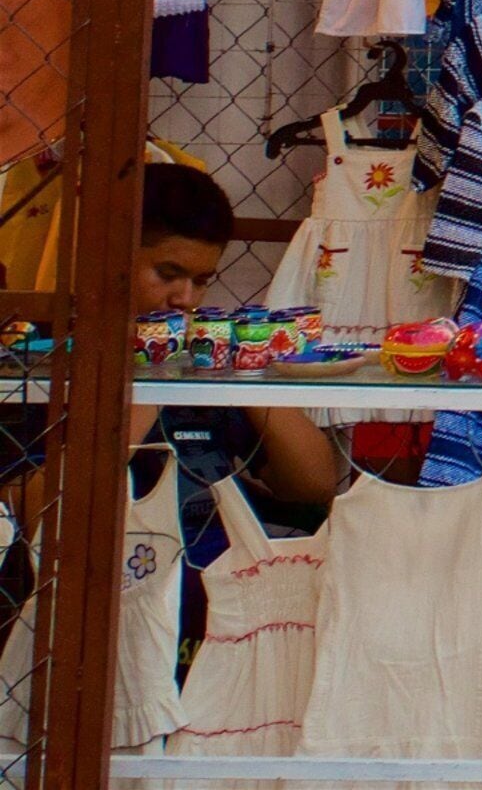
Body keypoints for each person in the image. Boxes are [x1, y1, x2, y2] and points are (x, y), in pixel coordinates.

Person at [3, 166, 344, 669]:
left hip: (218, 607)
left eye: (202, 281)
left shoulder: (198, 358)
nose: (186, 299)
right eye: (168, 274)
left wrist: (239, 369)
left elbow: (315, 485)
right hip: (92, 608)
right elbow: (50, 511)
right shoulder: (35, 364)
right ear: (109, 258)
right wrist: (145, 379)